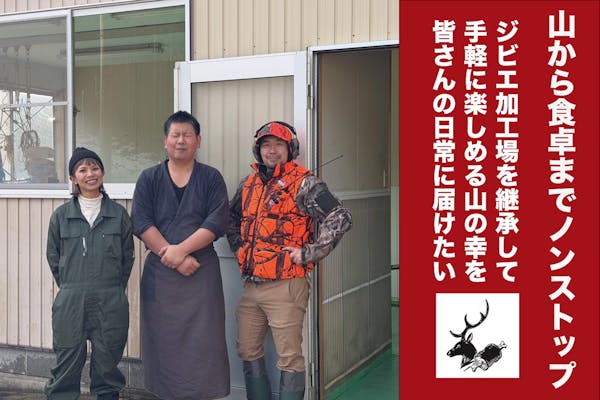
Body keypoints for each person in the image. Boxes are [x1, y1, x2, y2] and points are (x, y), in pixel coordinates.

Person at [227, 121, 352, 400]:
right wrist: (240, 249)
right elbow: (230, 218)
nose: (272, 150)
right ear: (258, 150)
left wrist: (309, 253)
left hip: (286, 285)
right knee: (247, 349)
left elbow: (340, 217)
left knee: (289, 357)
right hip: (251, 286)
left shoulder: (305, 183)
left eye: (278, 145)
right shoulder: (248, 184)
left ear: (290, 149)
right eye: (266, 145)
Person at [131, 110, 230, 400]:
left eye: (187, 135)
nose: (181, 140)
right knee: (164, 341)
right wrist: (173, 257)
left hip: (201, 271)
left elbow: (216, 221)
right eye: (175, 135)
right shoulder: (149, 178)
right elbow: (141, 221)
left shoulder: (211, 178)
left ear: (198, 140)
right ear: (165, 140)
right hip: (161, 276)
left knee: (205, 341)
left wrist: (181, 252)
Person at [45, 147, 135, 400]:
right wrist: (71, 285)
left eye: (94, 168)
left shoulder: (118, 214)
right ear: (73, 178)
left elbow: (127, 258)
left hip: (110, 299)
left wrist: (113, 289)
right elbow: (54, 258)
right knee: (67, 361)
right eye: (82, 170)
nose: (90, 174)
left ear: (102, 173)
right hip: (71, 299)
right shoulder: (61, 216)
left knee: (107, 363)